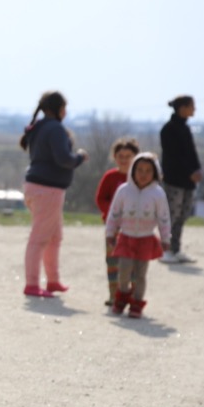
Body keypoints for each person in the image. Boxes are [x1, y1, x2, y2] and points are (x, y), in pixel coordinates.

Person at [19, 91, 89, 297]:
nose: (65, 112)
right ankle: (32, 284)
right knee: (39, 238)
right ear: (58, 109)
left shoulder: (39, 127)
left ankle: (53, 280)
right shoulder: (56, 129)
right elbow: (64, 159)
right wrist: (79, 158)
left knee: (54, 237)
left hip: (37, 187)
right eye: (64, 108)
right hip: (47, 189)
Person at [105, 152, 171, 319]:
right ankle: (121, 298)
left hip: (145, 239)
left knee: (140, 275)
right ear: (132, 171)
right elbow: (114, 213)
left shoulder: (158, 194)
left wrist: (165, 238)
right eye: (139, 169)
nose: (143, 174)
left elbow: (164, 218)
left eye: (148, 170)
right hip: (126, 237)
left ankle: (136, 303)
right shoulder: (124, 191)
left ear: (155, 173)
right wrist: (110, 233)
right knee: (124, 272)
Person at [95, 137, 140, 305]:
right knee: (113, 262)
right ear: (115, 157)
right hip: (113, 229)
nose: (124, 160)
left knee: (135, 263)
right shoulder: (110, 177)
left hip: (136, 228)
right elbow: (101, 199)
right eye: (121, 156)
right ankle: (115, 295)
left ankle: (135, 295)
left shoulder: (140, 178)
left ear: (136, 157)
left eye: (128, 156)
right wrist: (114, 213)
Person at [159, 95, 203, 263]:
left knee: (183, 215)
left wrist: (197, 170)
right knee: (171, 215)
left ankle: (176, 250)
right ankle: (165, 250)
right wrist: (189, 172)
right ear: (182, 107)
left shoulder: (185, 128)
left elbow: (191, 153)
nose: (194, 110)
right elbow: (174, 157)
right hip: (174, 180)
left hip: (188, 181)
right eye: (192, 106)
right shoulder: (168, 129)